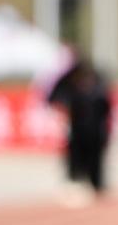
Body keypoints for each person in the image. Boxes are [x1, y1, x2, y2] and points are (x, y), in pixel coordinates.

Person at [47, 57, 111, 196]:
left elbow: (106, 106)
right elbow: (53, 98)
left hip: (95, 130)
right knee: (75, 158)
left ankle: (96, 185)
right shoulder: (68, 82)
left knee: (95, 160)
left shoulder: (98, 83)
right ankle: (75, 182)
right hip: (77, 130)